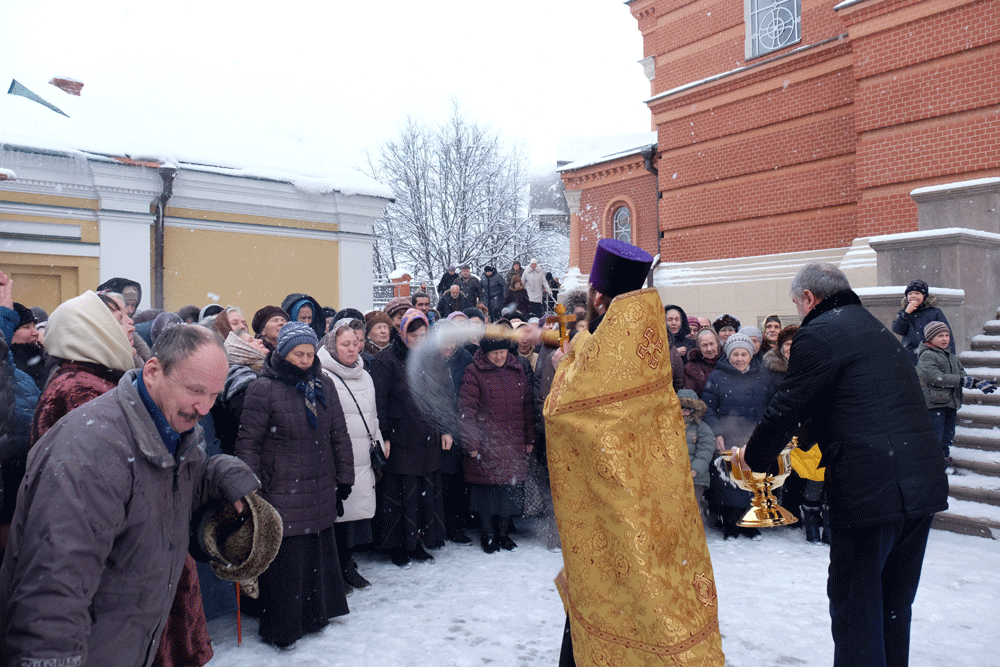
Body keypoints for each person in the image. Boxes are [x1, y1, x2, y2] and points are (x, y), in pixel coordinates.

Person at [0, 325, 259, 667]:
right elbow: (52, 592)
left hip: (129, 643)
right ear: (152, 371)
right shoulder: (90, 452)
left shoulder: (174, 428)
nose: (205, 407)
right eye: (195, 390)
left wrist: (222, 474)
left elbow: (164, 489)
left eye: (214, 394)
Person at [733, 262, 949, 667]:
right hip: (920, 485)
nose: (799, 313)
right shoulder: (872, 328)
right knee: (893, 607)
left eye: (797, 304)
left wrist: (755, 456)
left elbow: (788, 404)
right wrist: (806, 437)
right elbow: (855, 399)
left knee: (857, 611)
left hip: (870, 490)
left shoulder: (819, 332)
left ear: (809, 298)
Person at [538, 239, 724, 666]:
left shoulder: (604, 349)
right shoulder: (647, 339)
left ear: (597, 298)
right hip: (653, 490)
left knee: (611, 588)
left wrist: (564, 365)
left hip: (613, 499)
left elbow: (561, 411)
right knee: (654, 584)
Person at [236, 321, 354, 650]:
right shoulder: (263, 388)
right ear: (282, 353)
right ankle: (284, 626)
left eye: (309, 353)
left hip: (320, 481)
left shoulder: (323, 384)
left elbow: (338, 434)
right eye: (297, 354)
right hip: (281, 485)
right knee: (287, 558)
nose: (304, 360)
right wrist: (250, 488)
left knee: (316, 549)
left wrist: (345, 476)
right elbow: (248, 443)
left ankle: (315, 616)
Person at [370, 309, 450, 566]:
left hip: (428, 436)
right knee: (401, 495)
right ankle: (398, 547)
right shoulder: (386, 360)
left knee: (423, 495)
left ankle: (418, 542)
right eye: (413, 335)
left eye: (423, 335)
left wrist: (446, 428)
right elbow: (379, 401)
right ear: (402, 333)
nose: (418, 340)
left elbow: (443, 395)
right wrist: (384, 436)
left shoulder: (433, 358)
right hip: (400, 437)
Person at [320, 318, 386, 590]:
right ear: (331, 346)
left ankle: (347, 563)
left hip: (363, 455)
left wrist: (378, 442)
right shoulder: (323, 375)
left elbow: (373, 415)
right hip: (338, 456)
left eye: (355, 343)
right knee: (337, 514)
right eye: (345, 344)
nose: (352, 349)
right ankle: (336, 570)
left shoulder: (364, 374)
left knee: (354, 516)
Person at [459, 335, 536, 553]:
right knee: (487, 491)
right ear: (485, 353)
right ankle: (488, 534)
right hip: (486, 443)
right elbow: (467, 411)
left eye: (503, 352)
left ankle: (503, 534)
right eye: (495, 353)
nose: (500, 357)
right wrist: (471, 442)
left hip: (513, 441)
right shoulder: (473, 372)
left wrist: (529, 438)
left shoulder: (517, 370)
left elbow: (527, 407)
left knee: (509, 491)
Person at [701, 333, 775, 540]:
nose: (739, 358)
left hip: (755, 436)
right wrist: (717, 431)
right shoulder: (717, 377)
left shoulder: (763, 376)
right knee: (729, 481)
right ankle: (731, 522)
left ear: (751, 355)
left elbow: (772, 405)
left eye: (744, 354)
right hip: (729, 435)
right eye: (735, 354)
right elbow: (708, 408)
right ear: (729, 355)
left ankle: (750, 523)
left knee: (753, 479)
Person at [916, 321, 995, 475]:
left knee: (948, 436)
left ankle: (944, 459)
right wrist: (961, 380)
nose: (945, 339)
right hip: (935, 404)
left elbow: (962, 376)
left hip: (951, 404)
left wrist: (977, 383)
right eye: (940, 335)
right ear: (930, 338)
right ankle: (934, 464)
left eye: (947, 335)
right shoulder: (926, 356)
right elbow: (935, 377)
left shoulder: (952, 357)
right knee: (936, 436)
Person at [891, 279, 955, 365]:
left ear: (924, 296)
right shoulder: (903, 313)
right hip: (910, 356)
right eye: (910, 294)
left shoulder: (935, 312)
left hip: (931, 355)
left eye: (917, 293)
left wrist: (950, 357)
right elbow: (897, 330)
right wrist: (906, 313)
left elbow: (947, 334)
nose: (913, 296)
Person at [677, 388, 715, 524]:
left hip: (695, 476)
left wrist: (695, 469)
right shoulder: (667, 426)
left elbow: (706, 450)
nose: (682, 413)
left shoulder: (701, 428)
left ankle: (696, 528)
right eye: (679, 408)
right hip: (673, 474)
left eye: (686, 409)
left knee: (692, 505)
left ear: (694, 410)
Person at [684, 328, 722, 396]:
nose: (709, 349)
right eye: (704, 345)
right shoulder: (691, 368)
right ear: (699, 348)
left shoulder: (727, 362)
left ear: (718, 344)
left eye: (712, 344)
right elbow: (689, 395)